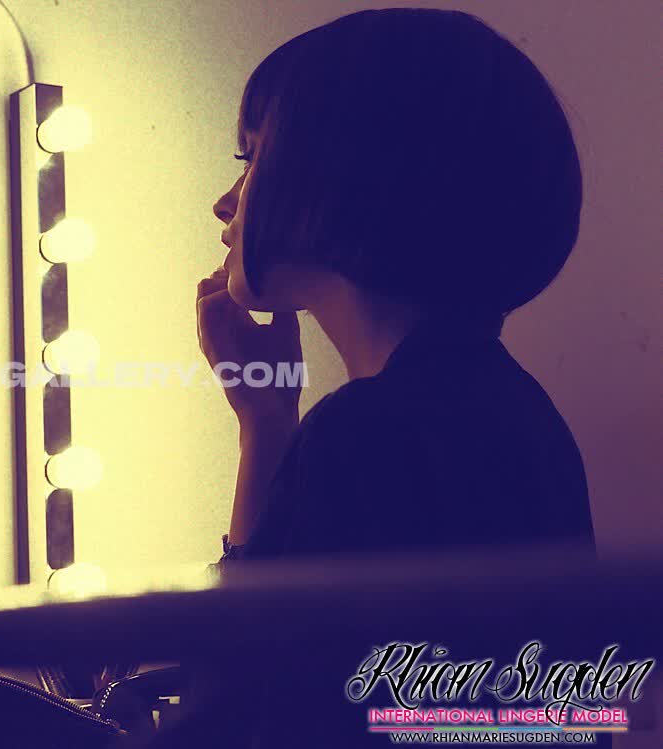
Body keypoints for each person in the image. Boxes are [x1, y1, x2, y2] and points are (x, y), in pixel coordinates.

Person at [177, 7, 601, 747]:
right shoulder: (514, 416)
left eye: (251, 158)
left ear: (334, 175)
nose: (225, 202)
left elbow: (242, 707)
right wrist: (266, 423)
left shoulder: (370, 435)